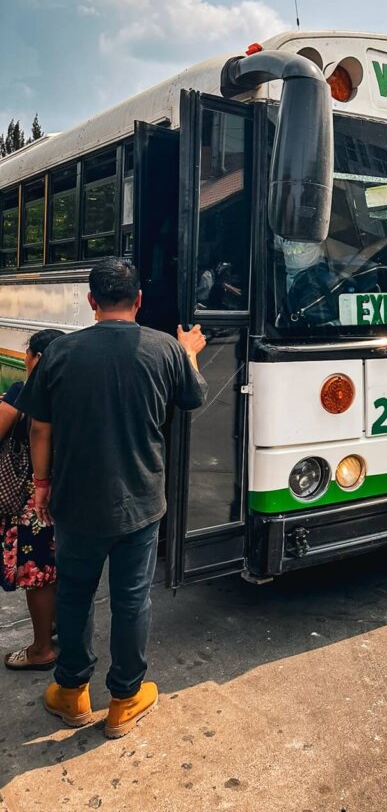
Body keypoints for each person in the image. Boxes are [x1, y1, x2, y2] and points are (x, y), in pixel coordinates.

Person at [16, 257, 208, 739]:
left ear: (90, 302)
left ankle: (71, 693)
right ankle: (124, 699)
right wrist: (188, 352)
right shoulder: (164, 349)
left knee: (76, 595)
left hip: (75, 503)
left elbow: (41, 426)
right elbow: (194, 397)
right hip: (141, 503)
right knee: (132, 600)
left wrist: (41, 486)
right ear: (139, 300)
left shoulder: (59, 354)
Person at [1, 330, 64, 671]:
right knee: (58, 570)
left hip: (32, 502)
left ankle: (42, 649)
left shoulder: (22, 393)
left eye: (27, 354)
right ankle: (55, 628)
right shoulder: (71, 393)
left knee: (37, 574)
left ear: (37, 358)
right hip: (67, 496)